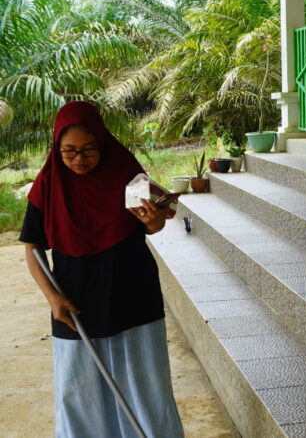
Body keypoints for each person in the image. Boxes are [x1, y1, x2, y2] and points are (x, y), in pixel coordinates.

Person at [20, 101, 184, 437]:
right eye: (68, 152)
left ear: (103, 142)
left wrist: (155, 223)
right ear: (56, 148)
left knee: (145, 384)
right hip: (73, 302)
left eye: (88, 150)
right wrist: (52, 298)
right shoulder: (48, 185)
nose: (78, 159)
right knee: (78, 390)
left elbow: (150, 226)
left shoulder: (126, 173)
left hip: (133, 295)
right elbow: (32, 247)